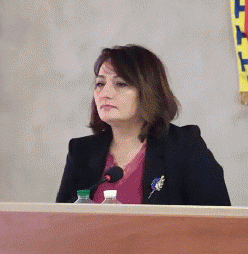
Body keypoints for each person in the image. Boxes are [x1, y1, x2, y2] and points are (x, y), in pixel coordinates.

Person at [56, 45, 230, 205]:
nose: (104, 93)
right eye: (100, 84)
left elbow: (219, 220)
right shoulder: (81, 152)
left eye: (120, 84)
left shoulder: (183, 146)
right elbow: (60, 223)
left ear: (148, 91)